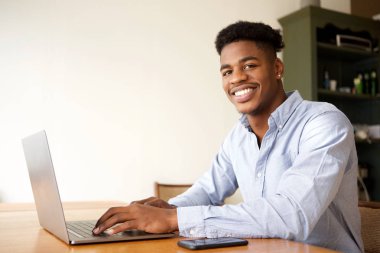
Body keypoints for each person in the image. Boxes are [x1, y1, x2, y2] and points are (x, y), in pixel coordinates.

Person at [93, 21, 364, 253]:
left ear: (277, 68)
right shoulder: (238, 136)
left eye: (249, 65)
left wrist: (173, 218)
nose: (236, 78)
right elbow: (207, 191)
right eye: (227, 71)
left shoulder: (323, 123)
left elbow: (291, 214)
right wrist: (162, 210)